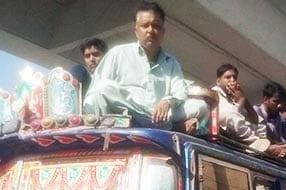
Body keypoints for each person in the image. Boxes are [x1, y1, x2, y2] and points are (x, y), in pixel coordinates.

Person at [84, 1, 208, 132]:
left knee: (201, 106)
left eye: (156, 26)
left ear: (163, 31)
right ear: (136, 30)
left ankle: (153, 124)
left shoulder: (171, 63)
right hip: (127, 114)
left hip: (161, 116)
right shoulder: (118, 53)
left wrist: (168, 101)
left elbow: (180, 93)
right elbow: (94, 95)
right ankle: (160, 126)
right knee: (102, 88)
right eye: (145, 26)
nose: (150, 30)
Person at [211, 64, 286, 156]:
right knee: (233, 117)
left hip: (243, 135)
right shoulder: (215, 94)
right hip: (227, 132)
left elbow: (257, 122)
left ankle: (261, 145)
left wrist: (245, 101)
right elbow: (230, 118)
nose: (232, 81)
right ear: (218, 81)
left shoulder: (234, 97)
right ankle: (263, 147)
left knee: (255, 122)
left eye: (235, 78)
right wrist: (240, 102)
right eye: (228, 77)